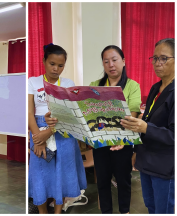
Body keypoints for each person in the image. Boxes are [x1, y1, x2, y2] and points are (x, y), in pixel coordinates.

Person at [45, 45, 141, 214]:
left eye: (114, 60)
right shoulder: (94, 85)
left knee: (123, 181)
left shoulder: (132, 86)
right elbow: (88, 113)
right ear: (103, 64)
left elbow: (132, 115)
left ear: (123, 62)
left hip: (123, 143)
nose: (111, 64)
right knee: (102, 182)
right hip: (100, 143)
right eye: (106, 61)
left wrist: (121, 139)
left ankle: (124, 212)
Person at [28, 44, 87, 214]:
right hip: (38, 129)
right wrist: (37, 138)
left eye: (60, 65)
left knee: (62, 172)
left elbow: (69, 115)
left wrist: (48, 132)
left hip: (63, 131)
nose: (56, 69)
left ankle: (58, 211)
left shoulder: (68, 84)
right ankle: (42, 212)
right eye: (52, 63)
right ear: (44, 61)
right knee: (40, 174)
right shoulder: (33, 82)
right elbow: (29, 113)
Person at [121, 38, 175, 214]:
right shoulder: (155, 88)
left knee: (163, 209)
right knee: (150, 206)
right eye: (155, 58)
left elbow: (173, 136)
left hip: (164, 165)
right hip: (146, 160)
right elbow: (149, 121)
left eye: (164, 58)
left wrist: (144, 128)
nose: (157, 63)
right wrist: (137, 151)